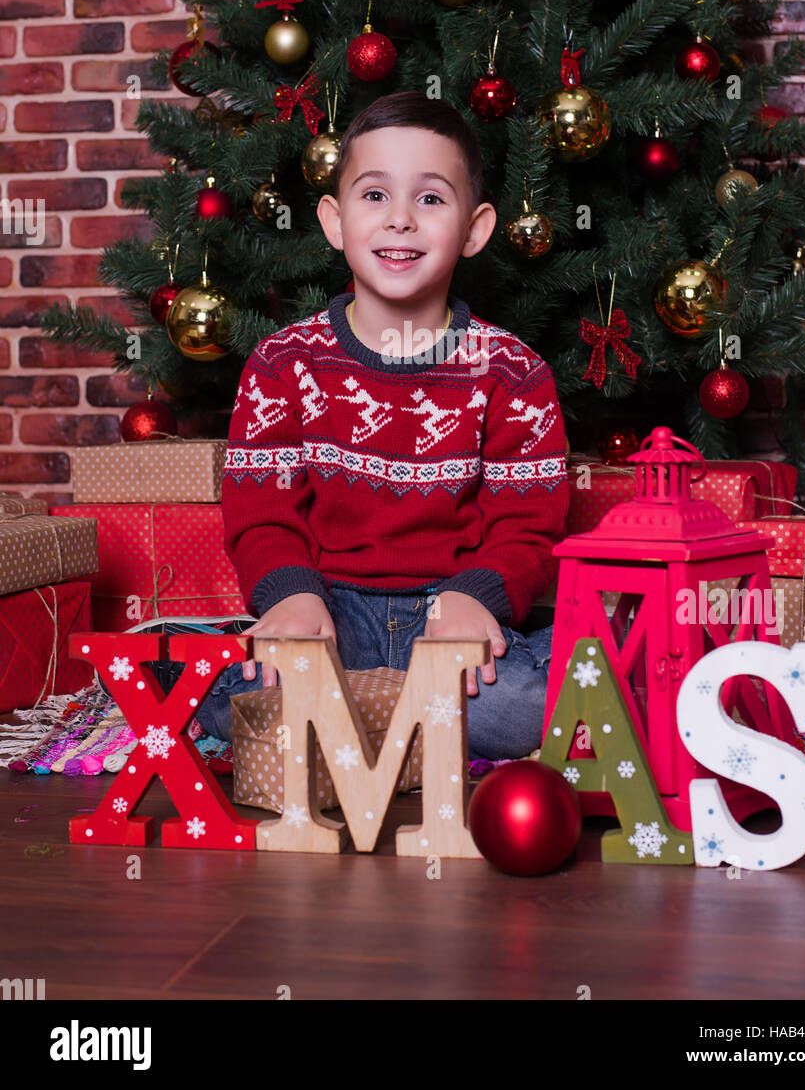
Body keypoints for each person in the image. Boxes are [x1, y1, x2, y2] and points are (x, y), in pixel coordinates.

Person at [188, 90, 569, 759]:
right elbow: (263, 515)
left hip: (450, 618)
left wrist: (477, 596)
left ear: (474, 229)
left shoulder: (513, 372)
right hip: (327, 610)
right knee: (219, 697)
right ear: (333, 221)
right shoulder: (282, 363)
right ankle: (403, 725)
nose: (399, 220)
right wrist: (291, 598)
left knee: (536, 705)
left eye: (429, 199)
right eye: (373, 196)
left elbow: (528, 526)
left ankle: (357, 723)